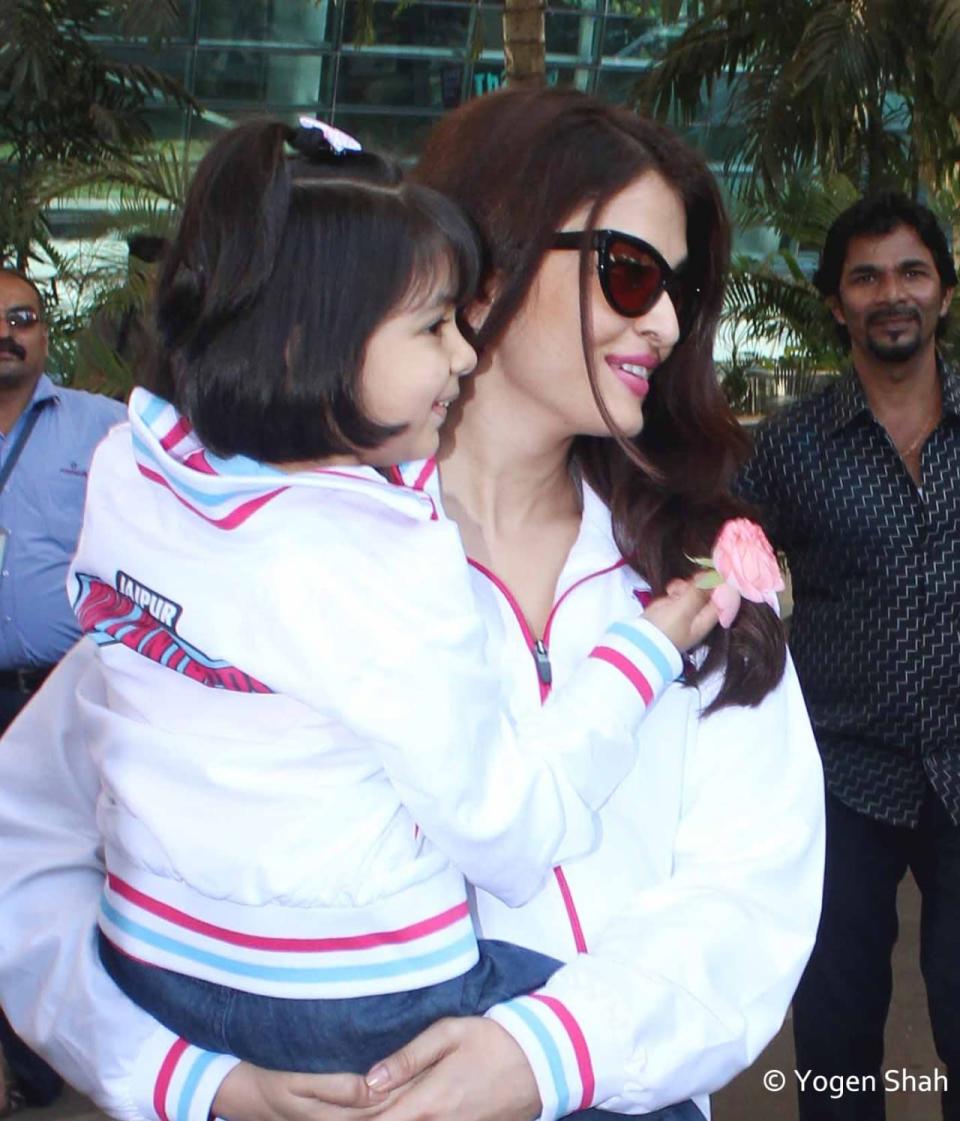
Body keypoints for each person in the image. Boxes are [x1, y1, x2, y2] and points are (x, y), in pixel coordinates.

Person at [0, 88, 824, 1121]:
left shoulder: (694, 581)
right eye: (628, 271)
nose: (661, 319)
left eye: (679, 288)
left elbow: (752, 893)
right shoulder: (254, 548)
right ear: (485, 268)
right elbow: (22, 848)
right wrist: (186, 1077)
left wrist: (545, 1051)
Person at [737, 192, 960, 1121]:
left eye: (911, 271)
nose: (890, 293)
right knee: (833, 1041)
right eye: (865, 277)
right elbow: (716, 564)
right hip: (836, 784)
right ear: (836, 303)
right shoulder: (790, 449)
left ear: (944, 291)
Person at [0, 267, 126, 1117]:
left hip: (63, 696)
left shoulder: (102, 429)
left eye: (24, 317)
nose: (9, 330)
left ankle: (56, 1048)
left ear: (47, 334)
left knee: (85, 874)